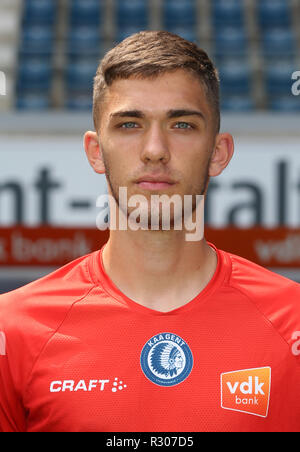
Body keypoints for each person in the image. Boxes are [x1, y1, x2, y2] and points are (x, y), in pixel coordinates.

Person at [0, 31, 299, 433]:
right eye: (129, 124)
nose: (155, 149)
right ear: (94, 151)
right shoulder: (14, 329)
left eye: (181, 124)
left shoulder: (291, 322)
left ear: (218, 152)